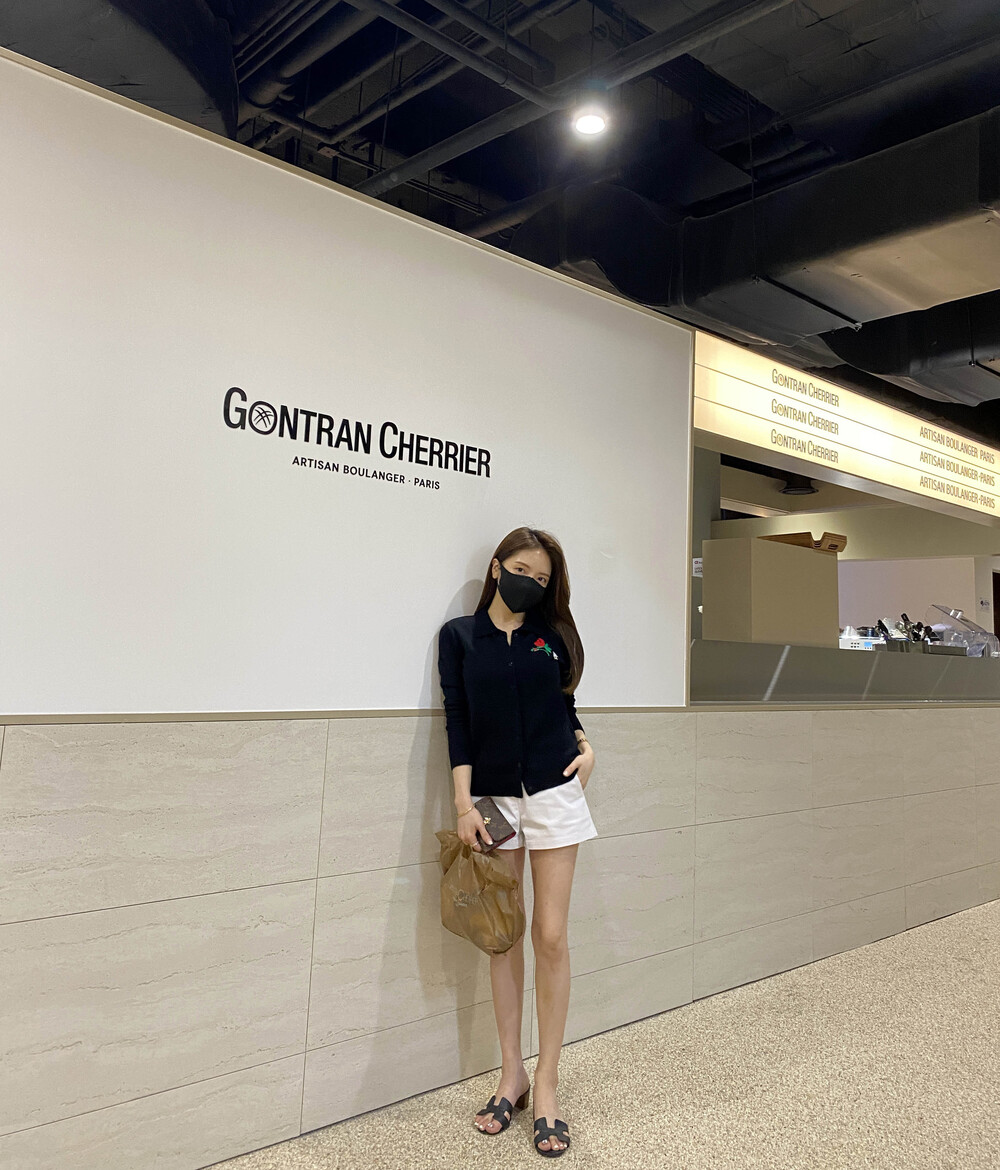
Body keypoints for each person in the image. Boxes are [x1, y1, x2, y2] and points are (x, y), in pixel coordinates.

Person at [437, 526, 598, 1157]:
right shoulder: (460, 637)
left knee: (550, 935)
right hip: (493, 802)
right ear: (497, 567)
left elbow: (564, 704)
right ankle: (514, 1075)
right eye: (523, 570)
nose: (531, 582)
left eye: (543, 578)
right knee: (503, 936)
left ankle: (549, 1083)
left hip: (556, 793)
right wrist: (463, 803)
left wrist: (586, 746)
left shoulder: (551, 636)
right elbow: (459, 721)